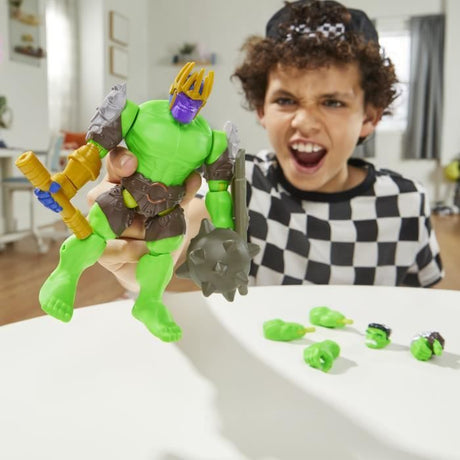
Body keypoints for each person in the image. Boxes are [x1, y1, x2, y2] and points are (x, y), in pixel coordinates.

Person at [90, 0, 443, 292]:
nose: (304, 122)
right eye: (286, 100)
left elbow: (426, 313)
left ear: (369, 116)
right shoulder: (242, 184)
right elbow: (187, 224)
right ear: (261, 110)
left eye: (333, 102)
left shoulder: (406, 203)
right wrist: (141, 259)